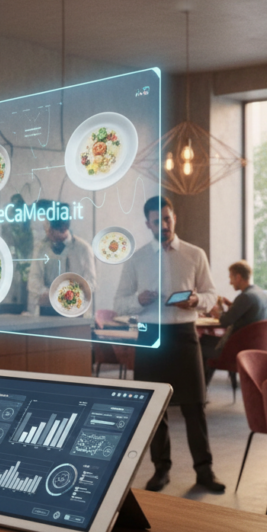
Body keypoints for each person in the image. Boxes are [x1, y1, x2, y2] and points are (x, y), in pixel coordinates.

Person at [113, 196, 224, 493]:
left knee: (195, 405)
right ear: (147, 224)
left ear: (174, 218)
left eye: (167, 218)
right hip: (149, 334)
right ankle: (161, 469)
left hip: (184, 332)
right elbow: (119, 302)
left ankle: (205, 471)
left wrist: (196, 300)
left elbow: (212, 294)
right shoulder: (136, 258)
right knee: (154, 407)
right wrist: (138, 300)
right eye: (156, 221)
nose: (163, 225)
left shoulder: (195, 254)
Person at [203, 260, 267, 385]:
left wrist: (216, 312)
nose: (230, 282)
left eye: (231, 278)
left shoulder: (245, 297)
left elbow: (225, 321)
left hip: (239, 349)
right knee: (206, 340)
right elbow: (247, 315)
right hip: (257, 346)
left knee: (199, 345)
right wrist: (232, 306)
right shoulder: (260, 293)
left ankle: (200, 389)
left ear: (238, 277)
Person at [27, 215, 96, 316]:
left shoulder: (83, 249)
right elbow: (33, 279)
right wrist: (49, 294)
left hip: (75, 310)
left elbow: (91, 282)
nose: (47, 233)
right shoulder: (41, 248)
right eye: (46, 229)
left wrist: (71, 295)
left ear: (64, 228)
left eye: (50, 230)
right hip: (47, 309)